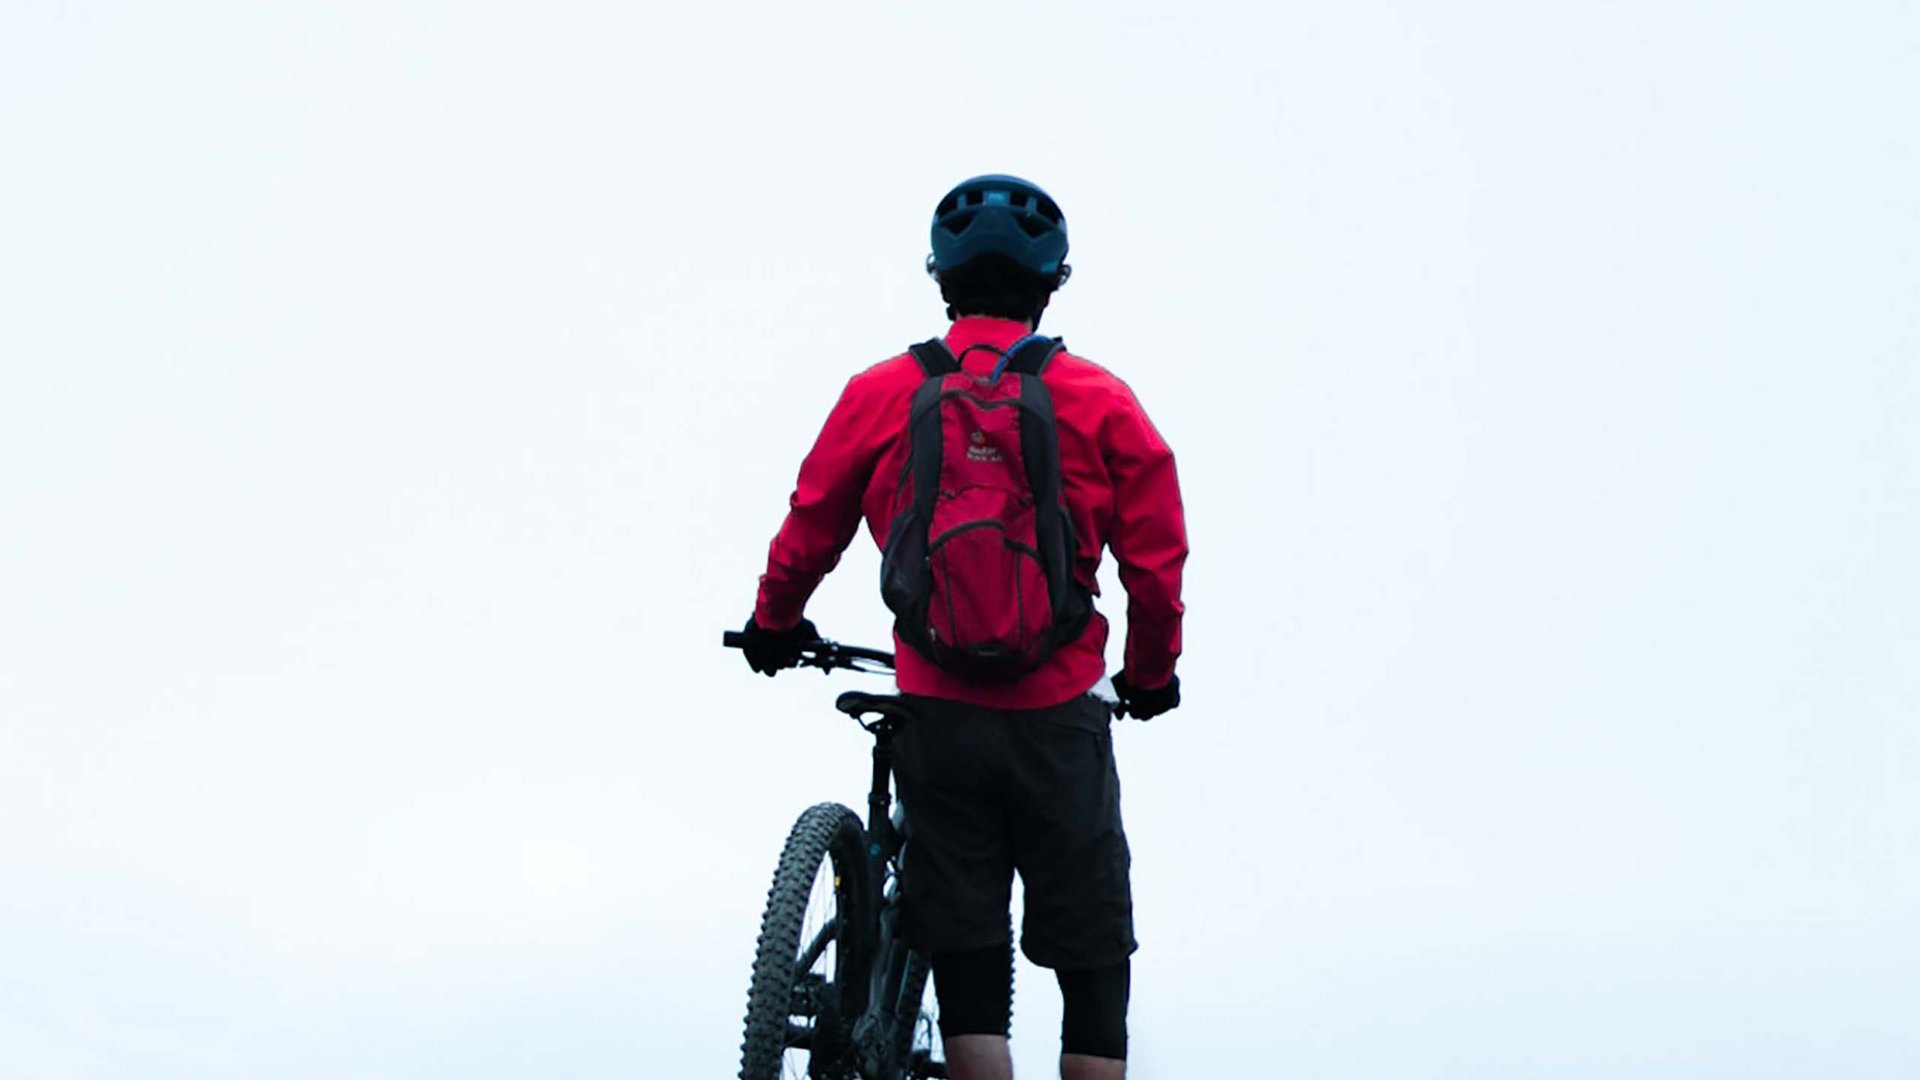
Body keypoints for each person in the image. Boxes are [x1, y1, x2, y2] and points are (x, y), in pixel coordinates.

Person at [737, 174, 1186, 1080]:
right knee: (1092, 951)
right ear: (1053, 281)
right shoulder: (1101, 399)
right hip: (1059, 714)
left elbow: (810, 523)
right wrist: (1148, 676)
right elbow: (1157, 563)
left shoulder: (881, 392)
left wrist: (772, 623)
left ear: (940, 277)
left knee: (965, 945)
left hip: (938, 711)